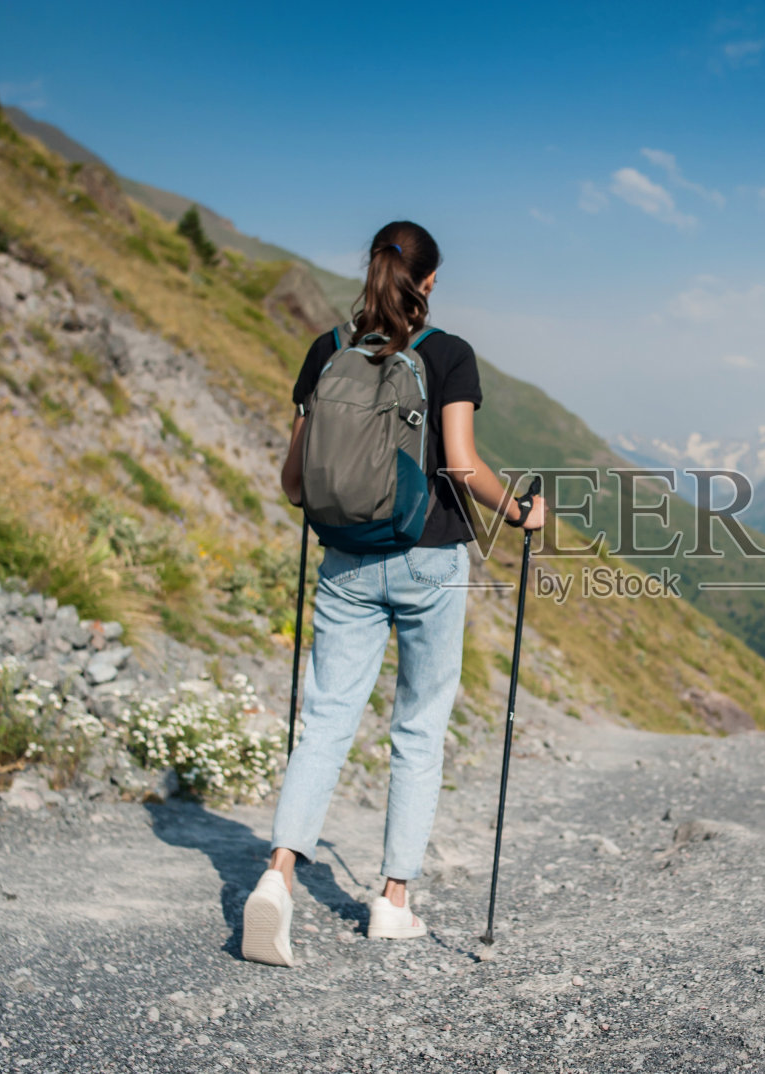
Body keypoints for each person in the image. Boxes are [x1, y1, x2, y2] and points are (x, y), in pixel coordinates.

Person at [241, 220, 546, 966]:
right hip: (429, 558)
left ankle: (277, 876)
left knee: (326, 722)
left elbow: (293, 483)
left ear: (372, 267)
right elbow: (462, 464)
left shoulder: (326, 352)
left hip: (345, 562)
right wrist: (519, 511)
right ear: (430, 281)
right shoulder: (447, 353)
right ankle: (392, 901)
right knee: (418, 728)